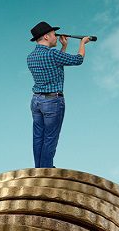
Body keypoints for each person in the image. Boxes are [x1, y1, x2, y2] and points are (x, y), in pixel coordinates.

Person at [27, 21, 91, 169]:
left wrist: (64, 46)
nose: (56, 37)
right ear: (46, 37)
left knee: (38, 137)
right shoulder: (53, 54)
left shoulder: (31, 57)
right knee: (50, 138)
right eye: (54, 35)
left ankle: (39, 169)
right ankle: (47, 171)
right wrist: (83, 43)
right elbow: (78, 60)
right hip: (52, 102)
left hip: (36, 101)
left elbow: (55, 64)